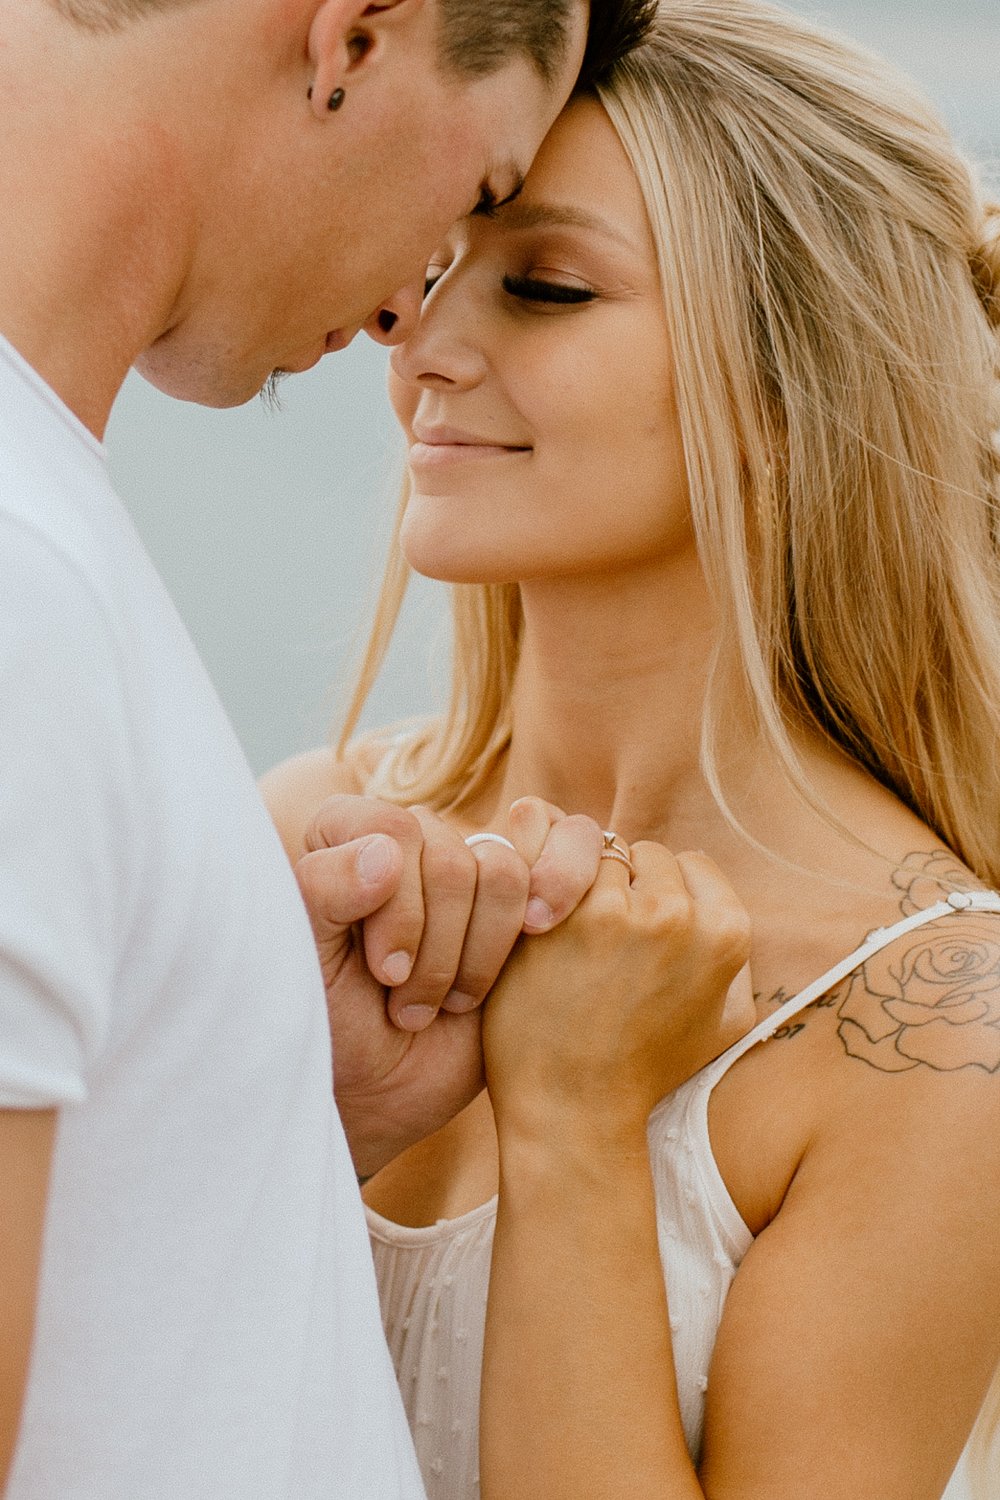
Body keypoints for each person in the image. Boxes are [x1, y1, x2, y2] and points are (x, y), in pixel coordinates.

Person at [263, 1, 1000, 1496]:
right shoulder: (316, 827)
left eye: (543, 285)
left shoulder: (946, 1028)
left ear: (790, 390)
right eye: (435, 264)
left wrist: (579, 1123)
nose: (422, 350)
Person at [0, 0, 659, 1494]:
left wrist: (253, 1081)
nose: (402, 315)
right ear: (354, 36)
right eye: (474, 193)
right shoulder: (20, 584)